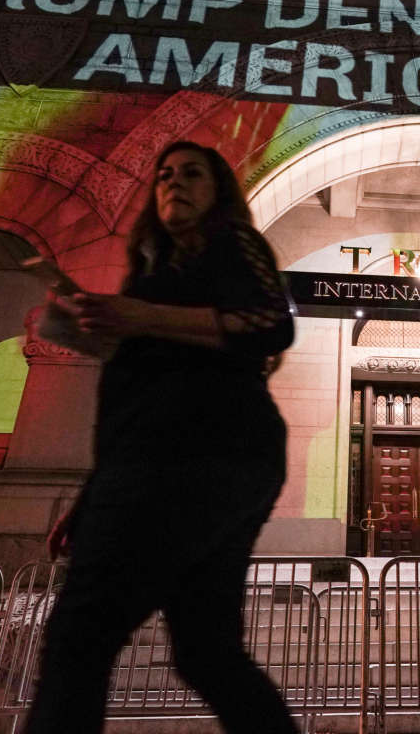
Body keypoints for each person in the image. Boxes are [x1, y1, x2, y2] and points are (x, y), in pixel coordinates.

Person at [23, 141, 298, 734]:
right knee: (205, 652)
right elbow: (133, 401)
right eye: (165, 175)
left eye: (193, 173)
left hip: (204, 451)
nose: (175, 183)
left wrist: (140, 318)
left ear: (218, 190)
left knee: (80, 634)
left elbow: (271, 323)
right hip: (163, 459)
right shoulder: (150, 276)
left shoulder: (232, 243)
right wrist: (92, 496)